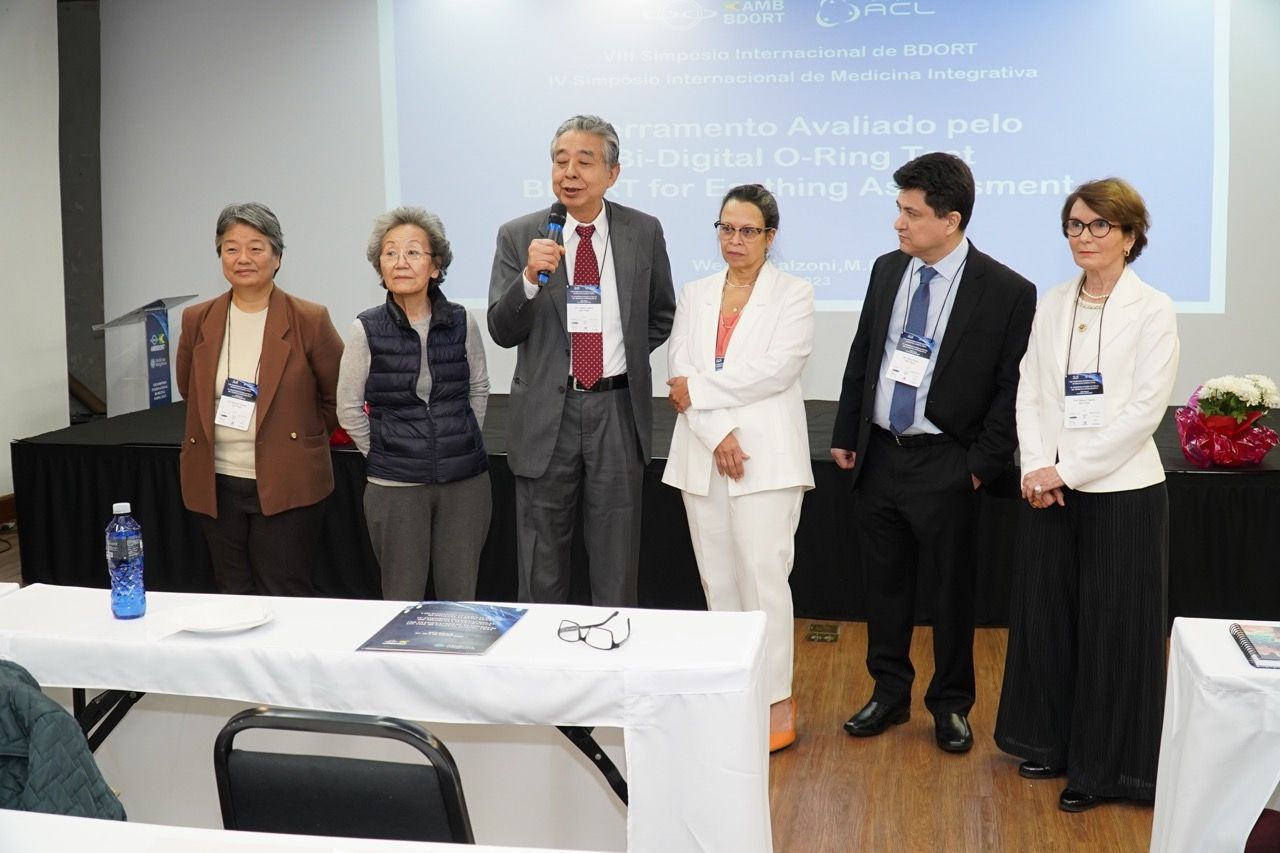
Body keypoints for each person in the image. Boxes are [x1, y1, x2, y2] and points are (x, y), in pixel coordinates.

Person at [830, 153, 1036, 753]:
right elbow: (864, 352)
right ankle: (889, 693)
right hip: (880, 454)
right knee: (883, 586)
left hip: (947, 460)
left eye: (911, 213)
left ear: (951, 220)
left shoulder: (1006, 291)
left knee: (950, 593)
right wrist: (847, 431)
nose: (898, 223)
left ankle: (950, 704)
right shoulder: (887, 269)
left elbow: (1011, 389)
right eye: (899, 209)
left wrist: (978, 468)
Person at [995, 178, 1179, 812]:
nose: (1084, 236)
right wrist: (1035, 465)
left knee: (1113, 634)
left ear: (1129, 236)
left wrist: (1065, 471)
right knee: (1048, 620)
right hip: (1049, 487)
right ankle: (1048, 741)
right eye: (1075, 225)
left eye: (1099, 225)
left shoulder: (1153, 309)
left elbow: (1144, 411)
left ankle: (1105, 769)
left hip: (1121, 491)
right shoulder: (1053, 302)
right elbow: (1030, 390)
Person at [488, 115, 676, 606]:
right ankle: (540, 648)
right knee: (540, 556)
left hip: (616, 408)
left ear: (612, 173)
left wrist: (619, 358)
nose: (569, 172)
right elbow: (502, 331)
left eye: (584, 162)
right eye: (560, 160)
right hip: (546, 413)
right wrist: (529, 279)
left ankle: (614, 645)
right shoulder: (520, 236)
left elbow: (660, 314)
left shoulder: (643, 231)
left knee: (616, 555)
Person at [663, 184, 815, 753]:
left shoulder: (794, 293)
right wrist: (716, 431)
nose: (735, 239)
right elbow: (679, 369)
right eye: (726, 228)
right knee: (718, 580)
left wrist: (703, 395)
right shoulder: (696, 293)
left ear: (769, 237)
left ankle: (775, 701)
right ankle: (730, 694)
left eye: (748, 230)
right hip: (704, 452)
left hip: (765, 458)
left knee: (763, 579)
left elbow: (777, 370)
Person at [177, 202, 343, 596]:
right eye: (231, 248)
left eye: (256, 247)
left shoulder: (309, 319)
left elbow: (338, 398)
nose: (243, 258)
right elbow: (189, 390)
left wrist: (297, 439)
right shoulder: (197, 319)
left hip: (288, 479)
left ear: (277, 257)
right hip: (216, 480)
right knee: (232, 591)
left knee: (283, 591)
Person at [337, 207, 491, 602]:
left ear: (436, 266)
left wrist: (461, 438)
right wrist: (385, 453)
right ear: (380, 266)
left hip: (464, 482)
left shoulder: (462, 321)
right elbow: (349, 409)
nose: (400, 261)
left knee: (460, 599)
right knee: (401, 598)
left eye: (412, 252)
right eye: (390, 253)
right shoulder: (365, 328)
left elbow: (478, 387)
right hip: (395, 487)